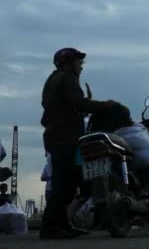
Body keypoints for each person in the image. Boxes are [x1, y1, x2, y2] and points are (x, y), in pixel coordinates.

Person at [39, 47, 116, 239]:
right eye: (79, 62)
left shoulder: (53, 79)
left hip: (58, 137)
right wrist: (107, 105)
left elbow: (65, 106)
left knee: (68, 184)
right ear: (69, 63)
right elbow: (80, 103)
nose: (81, 66)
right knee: (64, 186)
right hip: (65, 139)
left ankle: (63, 225)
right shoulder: (67, 79)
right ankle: (50, 228)